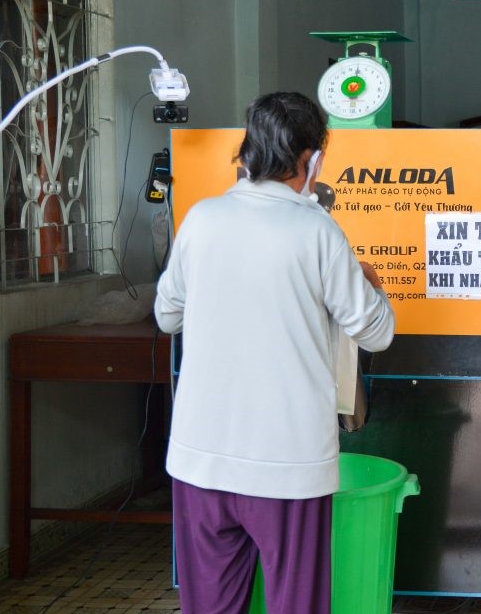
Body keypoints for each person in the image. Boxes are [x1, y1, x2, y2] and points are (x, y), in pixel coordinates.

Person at [154, 91, 394, 613]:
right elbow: (375, 333)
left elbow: (167, 316)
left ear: (249, 151)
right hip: (288, 464)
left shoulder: (200, 219)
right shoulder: (319, 232)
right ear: (313, 160)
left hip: (201, 459)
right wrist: (370, 284)